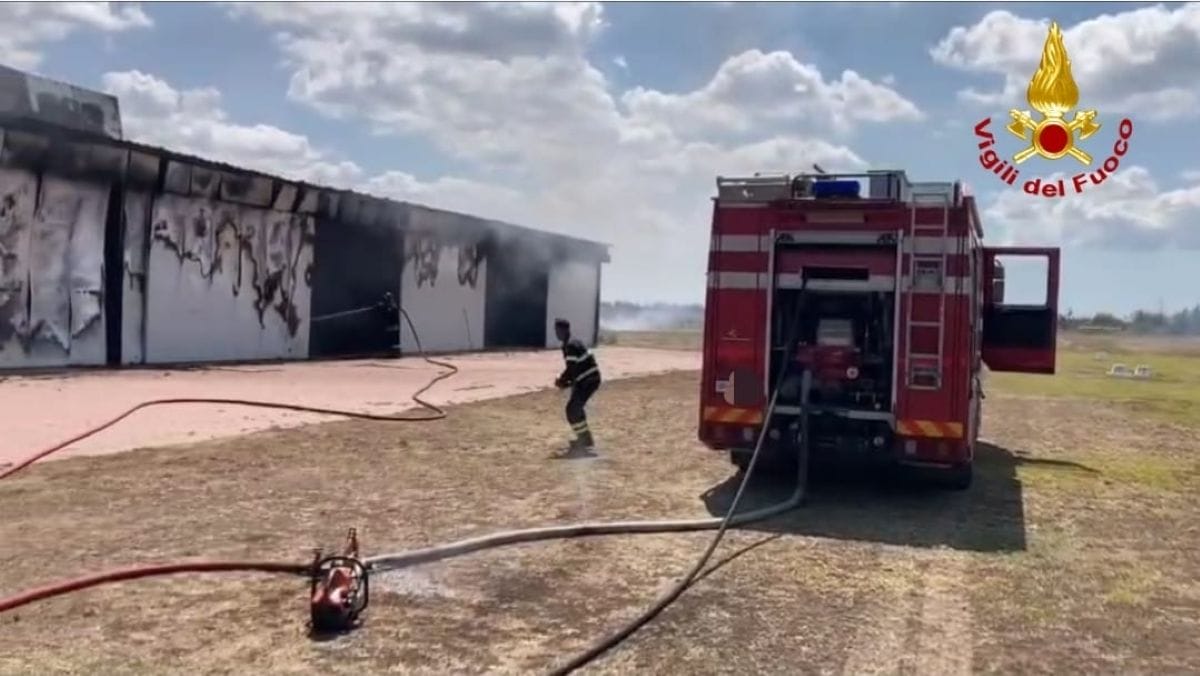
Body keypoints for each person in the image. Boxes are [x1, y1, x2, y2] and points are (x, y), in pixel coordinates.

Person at [553, 318, 601, 452]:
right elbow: (573, 369)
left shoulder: (570, 345)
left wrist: (562, 381)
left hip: (588, 379)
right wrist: (566, 382)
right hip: (585, 379)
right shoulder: (570, 343)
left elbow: (572, 369)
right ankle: (585, 439)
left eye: (558, 330)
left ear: (565, 330)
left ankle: (585, 440)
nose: (557, 333)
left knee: (572, 409)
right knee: (575, 409)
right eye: (556, 330)